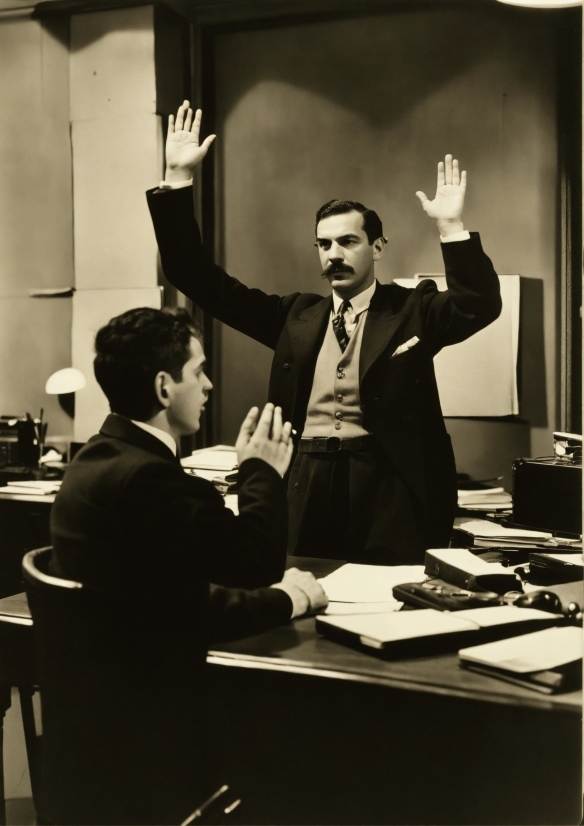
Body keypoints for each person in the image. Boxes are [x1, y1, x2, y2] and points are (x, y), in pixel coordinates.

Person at [146, 102, 502, 565]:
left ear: (377, 248)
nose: (333, 254)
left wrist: (451, 227)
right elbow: (195, 278)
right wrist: (177, 179)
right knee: (303, 591)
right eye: (324, 244)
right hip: (305, 480)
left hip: (387, 489)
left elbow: (479, 305)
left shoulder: (413, 309)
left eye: (348, 242)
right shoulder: (294, 316)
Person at [46, 306, 327, 825]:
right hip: (158, 726)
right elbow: (254, 567)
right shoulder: (150, 481)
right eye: (198, 372)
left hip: (95, 724)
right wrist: (261, 471)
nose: (210, 385)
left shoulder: (95, 459)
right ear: (162, 387)